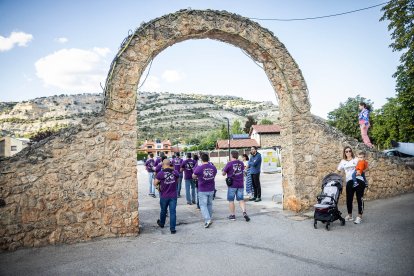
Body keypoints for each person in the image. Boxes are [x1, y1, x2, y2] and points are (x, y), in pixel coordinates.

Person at [337, 146, 366, 224]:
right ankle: (350, 216)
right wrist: (334, 176)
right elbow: (338, 170)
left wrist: (361, 170)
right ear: (344, 153)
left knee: (360, 198)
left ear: (351, 152)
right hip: (349, 181)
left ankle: (359, 216)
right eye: (346, 151)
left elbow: (365, 165)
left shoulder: (356, 159)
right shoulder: (343, 161)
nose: (348, 152)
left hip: (359, 180)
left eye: (350, 151)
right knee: (349, 199)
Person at [223, 151, 250, 222]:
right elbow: (243, 172)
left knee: (231, 200)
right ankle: (244, 212)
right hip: (240, 184)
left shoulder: (229, 163)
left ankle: (232, 215)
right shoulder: (241, 163)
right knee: (241, 200)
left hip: (232, 185)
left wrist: (224, 169)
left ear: (231, 156)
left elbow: (223, 173)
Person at [154, 159, 179, 234]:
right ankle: (172, 229)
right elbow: (177, 181)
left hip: (164, 195)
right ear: (169, 164)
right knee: (173, 212)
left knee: (163, 211)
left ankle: (162, 224)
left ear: (163, 164)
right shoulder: (175, 172)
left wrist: (159, 186)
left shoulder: (161, 173)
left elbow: (155, 183)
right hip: (173, 195)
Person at [193, 153, 217, 228]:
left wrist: (197, 177)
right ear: (208, 159)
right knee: (209, 204)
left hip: (202, 189)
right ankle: (209, 218)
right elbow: (214, 174)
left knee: (203, 205)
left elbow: (193, 176)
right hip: (211, 188)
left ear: (201, 159)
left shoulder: (199, 167)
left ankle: (207, 220)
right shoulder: (213, 167)